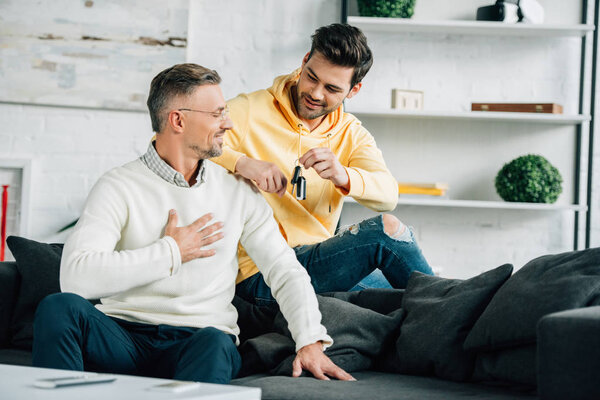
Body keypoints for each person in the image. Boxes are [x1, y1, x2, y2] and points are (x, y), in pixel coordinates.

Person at [32, 63, 354, 384]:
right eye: (217, 114)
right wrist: (171, 252)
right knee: (59, 309)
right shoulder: (118, 185)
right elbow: (76, 278)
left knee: (215, 343)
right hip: (123, 337)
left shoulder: (237, 190)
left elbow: (284, 269)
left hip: (199, 341)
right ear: (178, 120)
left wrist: (310, 340)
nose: (227, 123)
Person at [212, 23, 433, 305]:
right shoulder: (250, 109)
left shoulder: (351, 133)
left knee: (408, 294)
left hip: (319, 262)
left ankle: (459, 312)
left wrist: (345, 176)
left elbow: (388, 196)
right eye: (311, 78)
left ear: (353, 90)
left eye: (331, 88)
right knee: (386, 233)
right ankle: (462, 310)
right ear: (304, 61)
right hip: (262, 272)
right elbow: (178, 141)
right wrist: (242, 163)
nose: (316, 93)